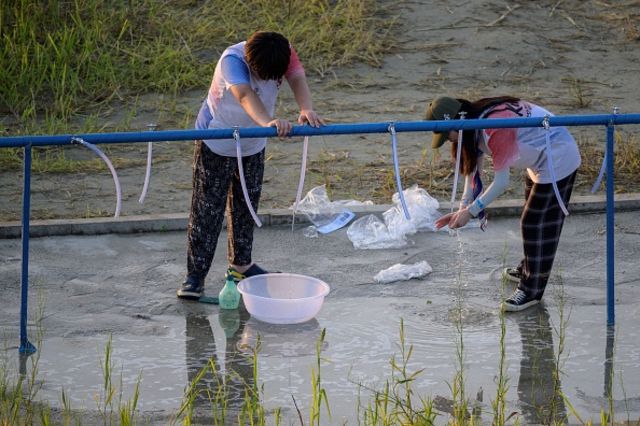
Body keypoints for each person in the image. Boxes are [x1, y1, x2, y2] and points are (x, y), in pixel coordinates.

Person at [177, 31, 325, 300]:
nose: (268, 82)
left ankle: (241, 266)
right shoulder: (232, 59)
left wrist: (306, 108)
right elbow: (245, 94)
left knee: (246, 205)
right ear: (251, 64)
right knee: (207, 211)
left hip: (253, 144)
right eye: (263, 75)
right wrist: (268, 121)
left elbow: (297, 77)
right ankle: (194, 277)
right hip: (217, 140)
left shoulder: (284, 52)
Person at [427, 95, 581, 312]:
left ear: (456, 120)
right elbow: (473, 173)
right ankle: (529, 269)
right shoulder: (475, 124)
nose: (448, 140)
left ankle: (531, 291)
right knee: (533, 219)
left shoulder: (495, 127)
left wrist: (471, 212)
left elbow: (501, 183)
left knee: (536, 222)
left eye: (446, 134)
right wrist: (463, 206)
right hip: (538, 157)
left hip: (557, 156)